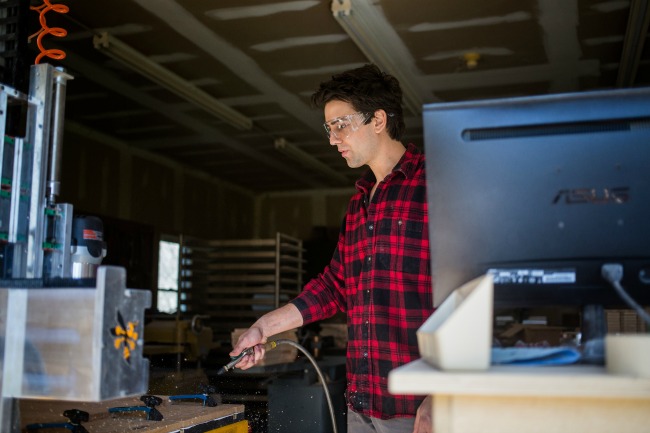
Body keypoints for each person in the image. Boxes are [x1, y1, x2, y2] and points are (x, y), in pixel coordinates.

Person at [230, 64, 434, 433]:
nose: (332, 139)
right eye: (329, 128)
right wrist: (264, 327)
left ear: (378, 120)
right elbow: (333, 287)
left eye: (341, 124)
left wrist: (444, 392)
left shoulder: (435, 185)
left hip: (418, 405)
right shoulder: (359, 204)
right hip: (362, 403)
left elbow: (470, 290)